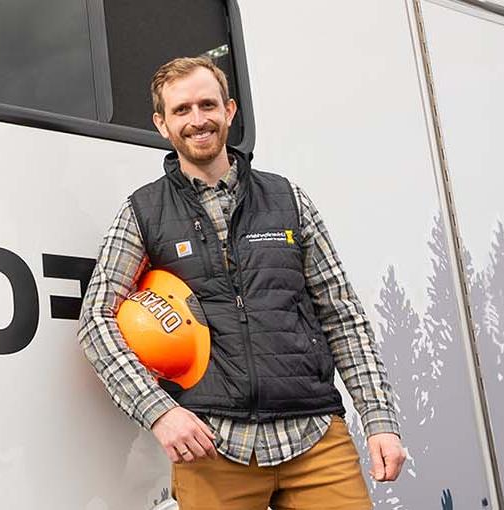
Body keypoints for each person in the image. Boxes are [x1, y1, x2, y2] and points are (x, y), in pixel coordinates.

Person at [77, 56, 406, 509]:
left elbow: (342, 317)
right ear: (162, 124)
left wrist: (379, 419)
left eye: (207, 105)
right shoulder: (142, 212)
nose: (198, 120)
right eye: (182, 110)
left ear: (229, 111)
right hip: (213, 448)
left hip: (314, 437)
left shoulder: (289, 200)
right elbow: (96, 320)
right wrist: (160, 412)